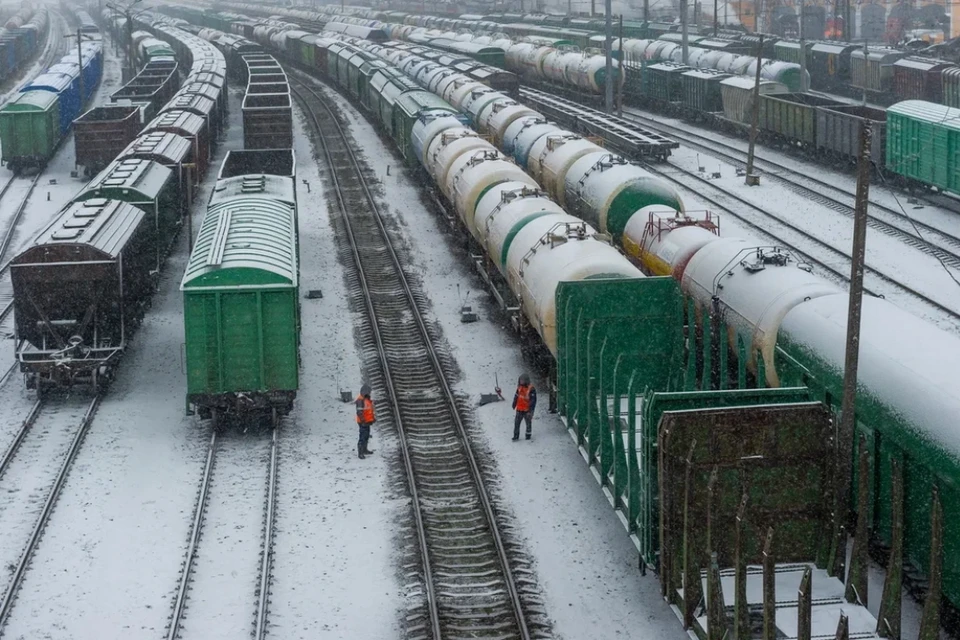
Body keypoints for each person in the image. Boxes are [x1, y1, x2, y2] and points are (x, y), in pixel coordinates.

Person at [512, 373, 536, 441]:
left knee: (528, 423)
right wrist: (514, 403)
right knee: (516, 423)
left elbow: (533, 400)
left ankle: (528, 435)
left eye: (522, 380)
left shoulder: (531, 389)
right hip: (519, 409)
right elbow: (516, 396)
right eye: (520, 380)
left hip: (527, 410)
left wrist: (531, 409)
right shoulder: (519, 388)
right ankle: (515, 435)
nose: (521, 382)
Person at [355, 384, 375, 459]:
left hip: (367, 421)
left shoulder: (366, 399)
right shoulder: (360, 400)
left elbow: (369, 410)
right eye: (369, 392)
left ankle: (364, 449)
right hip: (363, 422)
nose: (370, 393)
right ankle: (360, 452)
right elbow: (359, 412)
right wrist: (363, 420)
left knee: (366, 436)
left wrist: (372, 419)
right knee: (362, 437)